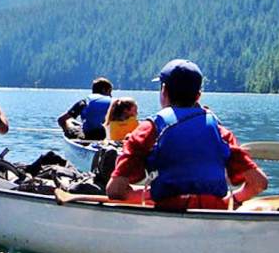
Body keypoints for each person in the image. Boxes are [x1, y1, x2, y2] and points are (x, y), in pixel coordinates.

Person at [106, 59, 267, 211]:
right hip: (214, 211)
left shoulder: (149, 129)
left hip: (168, 211)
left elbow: (115, 190)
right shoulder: (220, 132)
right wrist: (233, 200)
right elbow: (258, 183)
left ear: (164, 91)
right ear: (198, 96)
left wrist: (151, 195)